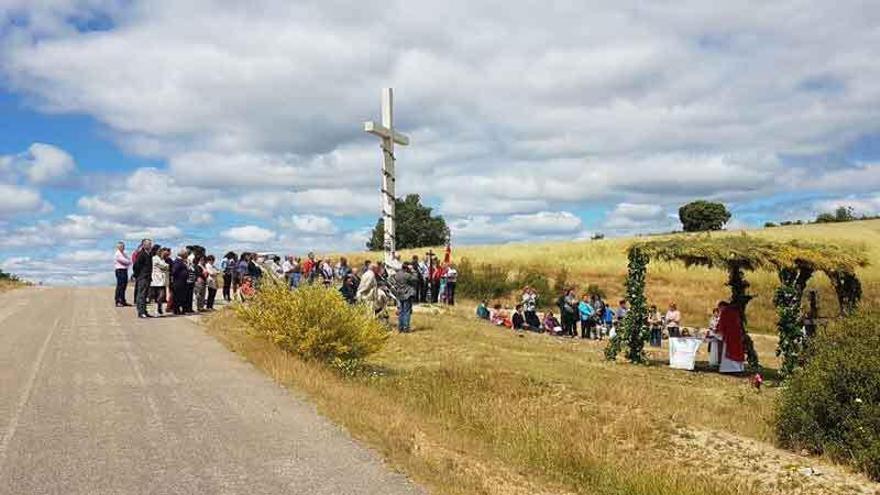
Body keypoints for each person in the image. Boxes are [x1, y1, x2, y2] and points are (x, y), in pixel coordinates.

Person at [715, 301, 745, 373]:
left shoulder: (725, 312)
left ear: (722, 306)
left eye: (719, 308)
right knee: (737, 350)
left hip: (729, 335)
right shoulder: (734, 312)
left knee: (730, 351)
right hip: (737, 334)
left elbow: (722, 323)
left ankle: (729, 369)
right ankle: (738, 368)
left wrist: (718, 330)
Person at [393, 262, 418, 332]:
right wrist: (413, 270)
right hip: (407, 294)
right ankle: (406, 327)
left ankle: (400, 327)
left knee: (401, 311)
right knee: (407, 311)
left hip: (400, 294)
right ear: (406, 268)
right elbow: (415, 279)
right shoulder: (407, 275)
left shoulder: (397, 275)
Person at [131, 239, 154, 318]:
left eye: (150, 244)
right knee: (141, 294)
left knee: (145, 295)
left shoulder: (149, 254)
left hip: (147, 277)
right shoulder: (141, 254)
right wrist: (138, 275)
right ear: (144, 245)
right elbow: (136, 266)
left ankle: (144, 311)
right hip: (142, 277)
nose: (150, 245)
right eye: (149, 244)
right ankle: (141, 312)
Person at [151, 246, 169, 315]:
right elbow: (164, 266)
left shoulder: (161, 259)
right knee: (158, 295)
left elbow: (165, 266)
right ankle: (156, 309)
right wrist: (166, 266)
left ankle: (159, 308)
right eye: (159, 250)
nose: (161, 251)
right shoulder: (154, 258)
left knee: (161, 295)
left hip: (161, 279)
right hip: (156, 279)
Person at [170, 249, 190, 315]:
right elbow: (174, 271)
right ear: (183, 254)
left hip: (182, 281)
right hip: (178, 282)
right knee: (177, 296)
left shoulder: (182, 261)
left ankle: (179, 309)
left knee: (181, 296)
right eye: (186, 254)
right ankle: (176, 310)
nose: (187, 255)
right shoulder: (178, 261)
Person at [114, 241, 131, 307]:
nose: (122, 248)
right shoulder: (117, 254)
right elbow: (125, 261)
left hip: (124, 270)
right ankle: (118, 301)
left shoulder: (124, 253)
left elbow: (129, 261)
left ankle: (123, 300)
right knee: (120, 286)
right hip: (119, 270)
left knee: (124, 286)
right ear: (118, 247)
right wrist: (128, 261)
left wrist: (128, 261)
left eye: (123, 246)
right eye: (121, 246)